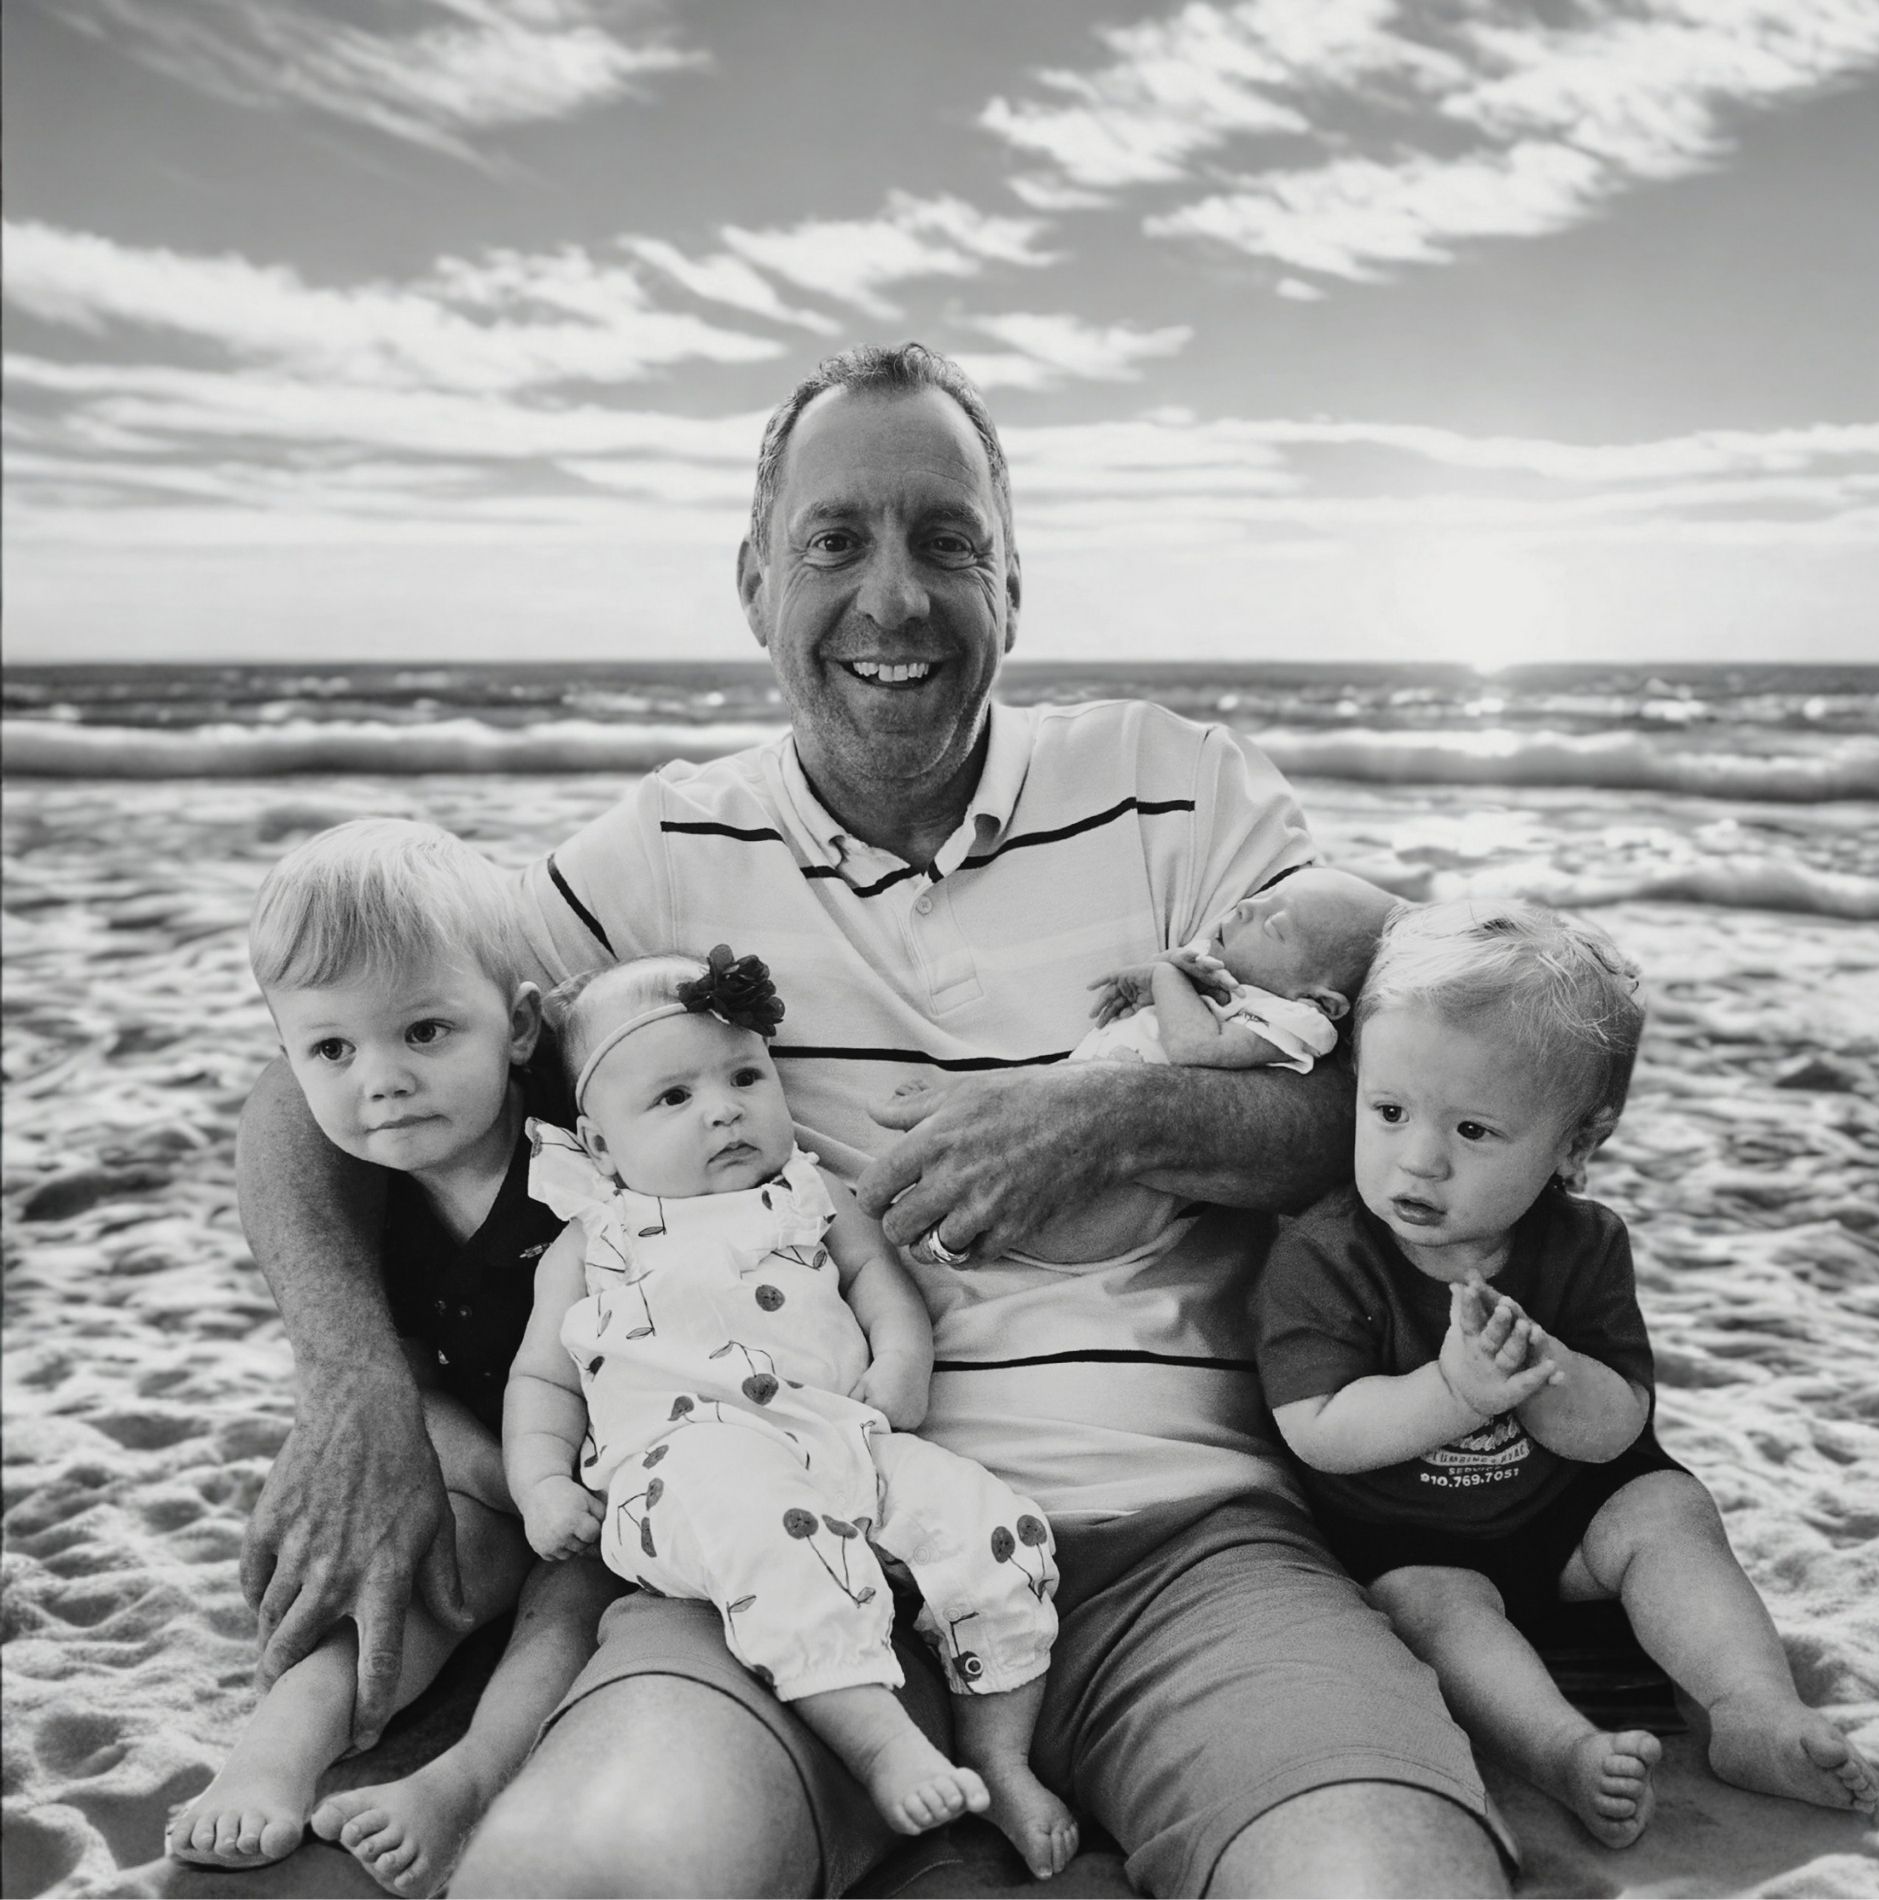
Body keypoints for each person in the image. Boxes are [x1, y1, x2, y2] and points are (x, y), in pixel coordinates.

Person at [236, 341, 1514, 1898]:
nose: (894, 598)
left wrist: (1110, 1124)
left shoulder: (1174, 791)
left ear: (1014, 580)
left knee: (1383, 1884)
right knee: (587, 1879)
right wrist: (359, 1388)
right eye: (836, 540)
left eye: (946, 539)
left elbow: (1391, 1100)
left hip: (1180, 1544)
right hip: (755, 1538)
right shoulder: (653, 860)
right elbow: (328, 1072)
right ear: (756, 578)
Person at [1255, 898, 1879, 1850]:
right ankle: (1560, 1751)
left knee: (1669, 1512)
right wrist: (1456, 1392)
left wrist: (1546, 1371)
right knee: (1426, 1607)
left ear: (1575, 1149)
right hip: (1413, 1540)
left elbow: (1618, 1428)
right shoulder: (1326, 1256)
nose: (1417, 1159)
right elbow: (1319, 1430)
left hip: (1569, 1527)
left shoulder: (1584, 1244)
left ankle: (1751, 1710)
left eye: (1474, 1132)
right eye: (1387, 1112)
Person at [505, 948, 1076, 1875]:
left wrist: (901, 1365)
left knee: (992, 1523)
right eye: (673, 1099)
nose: (724, 1108)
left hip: (842, 1438)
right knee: (774, 1537)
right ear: (602, 1147)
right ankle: (878, 1741)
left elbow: (882, 1286)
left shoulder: (811, 1192)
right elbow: (541, 1380)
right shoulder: (592, 1240)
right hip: (685, 1472)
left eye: (743, 1077)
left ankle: (998, 1747)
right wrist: (538, 1484)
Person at [169, 819, 619, 1897]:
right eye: (331, 1049)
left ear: (516, 1028)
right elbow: (397, 1383)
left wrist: (558, 1487)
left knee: (579, 1601)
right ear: (287, 1060)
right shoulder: (372, 1204)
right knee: (413, 1570)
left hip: (616, 1476)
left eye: (424, 1032)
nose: (382, 1080)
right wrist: (493, 1478)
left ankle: (466, 1775)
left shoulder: (584, 1156)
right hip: (483, 1464)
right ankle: (271, 1759)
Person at [1015, 866, 1399, 1266]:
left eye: (1274, 926)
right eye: (1261, 897)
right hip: (1058, 1155)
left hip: (1094, 1209)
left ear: (1320, 1001)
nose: (1246, 908)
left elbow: (1194, 1047)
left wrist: (1167, 976)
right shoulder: (1227, 977)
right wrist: (1167, 970)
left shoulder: (1294, 1020)